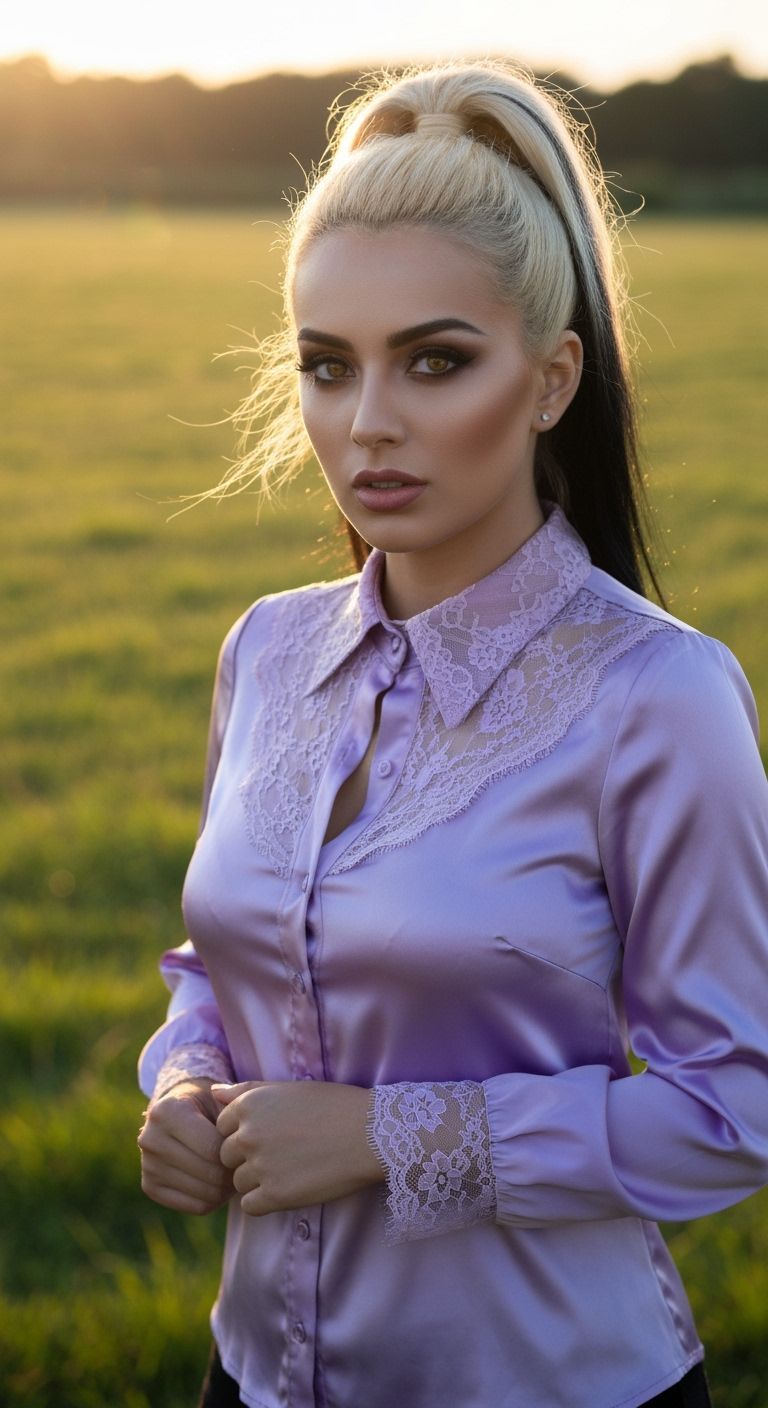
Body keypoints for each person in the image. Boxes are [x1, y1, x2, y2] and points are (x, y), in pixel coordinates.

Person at [136, 60, 768, 1408]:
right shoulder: (266, 651)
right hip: (253, 1372)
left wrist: (387, 1137)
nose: (368, 424)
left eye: (435, 360)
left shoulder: (662, 700)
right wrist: (187, 1080)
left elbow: (738, 1108)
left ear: (550, 381)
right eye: (325, 365)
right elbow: (223, 960)